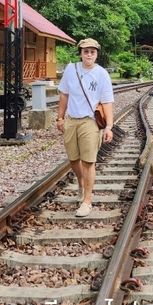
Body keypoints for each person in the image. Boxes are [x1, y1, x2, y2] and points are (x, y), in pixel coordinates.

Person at [56, 38, 114, 217]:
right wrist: (59, 117)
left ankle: (87, 201)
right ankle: (80, 181)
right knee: (73, 159)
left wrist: (109, 126)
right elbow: (64, 95)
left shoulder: (102, 74)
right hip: (71, 120)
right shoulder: (70, 70)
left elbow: (106, 102)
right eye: (86, 51)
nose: (89, 55)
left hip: (90, 121)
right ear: (80, 53)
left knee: (89, 162)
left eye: (92, 52)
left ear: (97, 54)